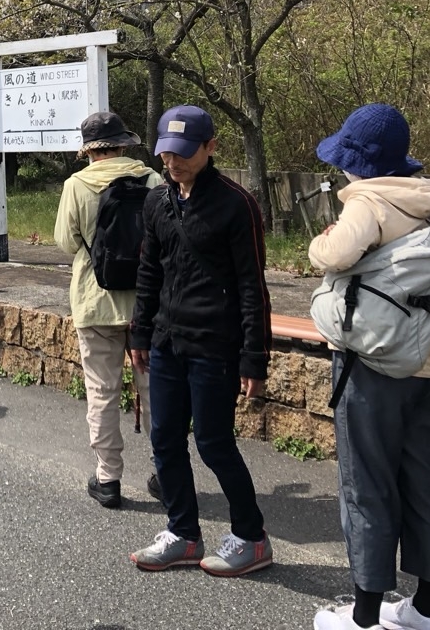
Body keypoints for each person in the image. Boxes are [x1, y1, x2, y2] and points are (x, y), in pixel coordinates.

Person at [308, 105, 430, 630]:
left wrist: (318, 243)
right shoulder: (428, 201)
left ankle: (365, 618)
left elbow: (335, 253)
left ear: (356, 162)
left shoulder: (367, 201)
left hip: (373, 364)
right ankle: (427, 611)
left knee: (367, 483)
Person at [127, 104, 273, 576]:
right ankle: (183, 534)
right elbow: (149, 270)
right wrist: (140, 330)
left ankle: (251, 538)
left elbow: (253, 285)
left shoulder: (237, 204)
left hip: (216, 344)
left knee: (213, 443)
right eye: (167, 154)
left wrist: (255, 358)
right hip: (168, 340)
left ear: (211, 148)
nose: (174, 163)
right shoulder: (157, 200)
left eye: (185, 154)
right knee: (165, 439)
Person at [54, 111, 163, 508]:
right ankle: (165, 474)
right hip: (146, 304)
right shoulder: (152, 180)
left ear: (89, 150)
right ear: (122, 143)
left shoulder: (77, 184)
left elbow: (66, 242)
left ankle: (108, 479)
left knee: (102, 391)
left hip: (94, 302)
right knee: (155, 390)